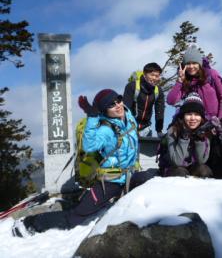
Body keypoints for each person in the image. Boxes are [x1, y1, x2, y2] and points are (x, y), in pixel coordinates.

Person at [13, 89, 154, 237]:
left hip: (130, 175)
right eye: (111, 105)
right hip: (111, 182)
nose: (118, 105)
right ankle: (30, 223)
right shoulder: (106, 130)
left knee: (153, 177)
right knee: (77, 216)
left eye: (118, 100)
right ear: (104, 111)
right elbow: (89, 145)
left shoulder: (129, 117)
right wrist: (92, 117)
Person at [159, 93, 213, 178]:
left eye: (197, 114)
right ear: (183, 116)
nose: (193, 118)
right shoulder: (173, 131)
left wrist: (200, 140)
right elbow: (177, 161)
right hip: (173, 168)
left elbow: (201, 161)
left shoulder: (204, 132)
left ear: (201, 117)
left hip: (191, 167)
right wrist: (184, 138)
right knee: (180, 172)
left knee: (204, 170)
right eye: (189, 114)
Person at [167, 45, 222, 120]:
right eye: (188, 64)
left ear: (199, 64)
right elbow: (171, 101)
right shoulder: (185, 80)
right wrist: (179, 81)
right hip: (194, 122)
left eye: (194, 63)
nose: (191, 66)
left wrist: (220, 118)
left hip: (213, 121)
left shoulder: (211, 74)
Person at [123, 62, 165, 137]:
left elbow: (159, 111)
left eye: (157, 76)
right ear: (145, 74)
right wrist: (127, 126)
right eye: (152, 75)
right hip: (130, 127)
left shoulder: (158, 91)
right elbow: (126, 108)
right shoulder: (132, 86)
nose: (154, 78)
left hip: (146, 128)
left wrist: (159, 130)